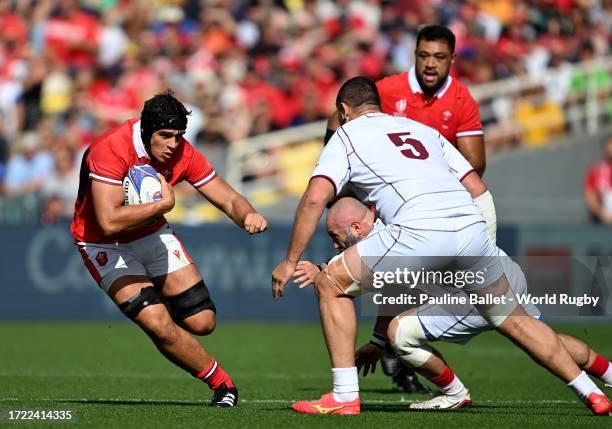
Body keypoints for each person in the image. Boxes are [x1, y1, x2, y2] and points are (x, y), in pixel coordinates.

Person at [271, 76, 611, 416]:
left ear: (343, 111)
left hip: (422, 229)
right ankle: (591, 393)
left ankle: (345, 396)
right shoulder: (419, 129)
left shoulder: (346, 135)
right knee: (517, 322)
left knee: (329, 283)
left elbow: (315, 198)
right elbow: (477, 186)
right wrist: (484, 249)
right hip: (471, 229)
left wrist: (290, 261)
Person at [294, 197, 612, 410]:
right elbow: (395, 291)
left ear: (358, 227)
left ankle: (453, 393)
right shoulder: (397, 214)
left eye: (337, 236)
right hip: (501, 268)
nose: (335, 244)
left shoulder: (381, 243)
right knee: (545, 340)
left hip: (471, 291)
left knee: (400, 333)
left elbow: (360, 282)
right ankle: (609, 374)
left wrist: (322, 270)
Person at [71, 90, 267, 407]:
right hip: (103, 243)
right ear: (147, 131)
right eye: (165, 136)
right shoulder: (109, 149)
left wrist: (248, 215)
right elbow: (108, 221)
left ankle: (159, 310)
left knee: (202, 322)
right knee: (159, 325)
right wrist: (163, 204)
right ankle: (223, 385)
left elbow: (228, 197)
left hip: (151, 235)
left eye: (178, 136)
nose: (173, 144)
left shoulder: (181, 153)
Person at [326, 25, 486, 176]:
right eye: (424, 56)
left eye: (439, 57)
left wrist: (440, 187)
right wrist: (333, 167)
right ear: (415, 54)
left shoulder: (461, 99)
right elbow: (340, 115)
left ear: (452, 59)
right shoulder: (387, 89)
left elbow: (475, 163)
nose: (430, 64)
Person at [584, 135, 612, 224]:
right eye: (609, 146)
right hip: (603, 219)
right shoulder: (596, 170)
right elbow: (589, 195)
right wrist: (602, 214)